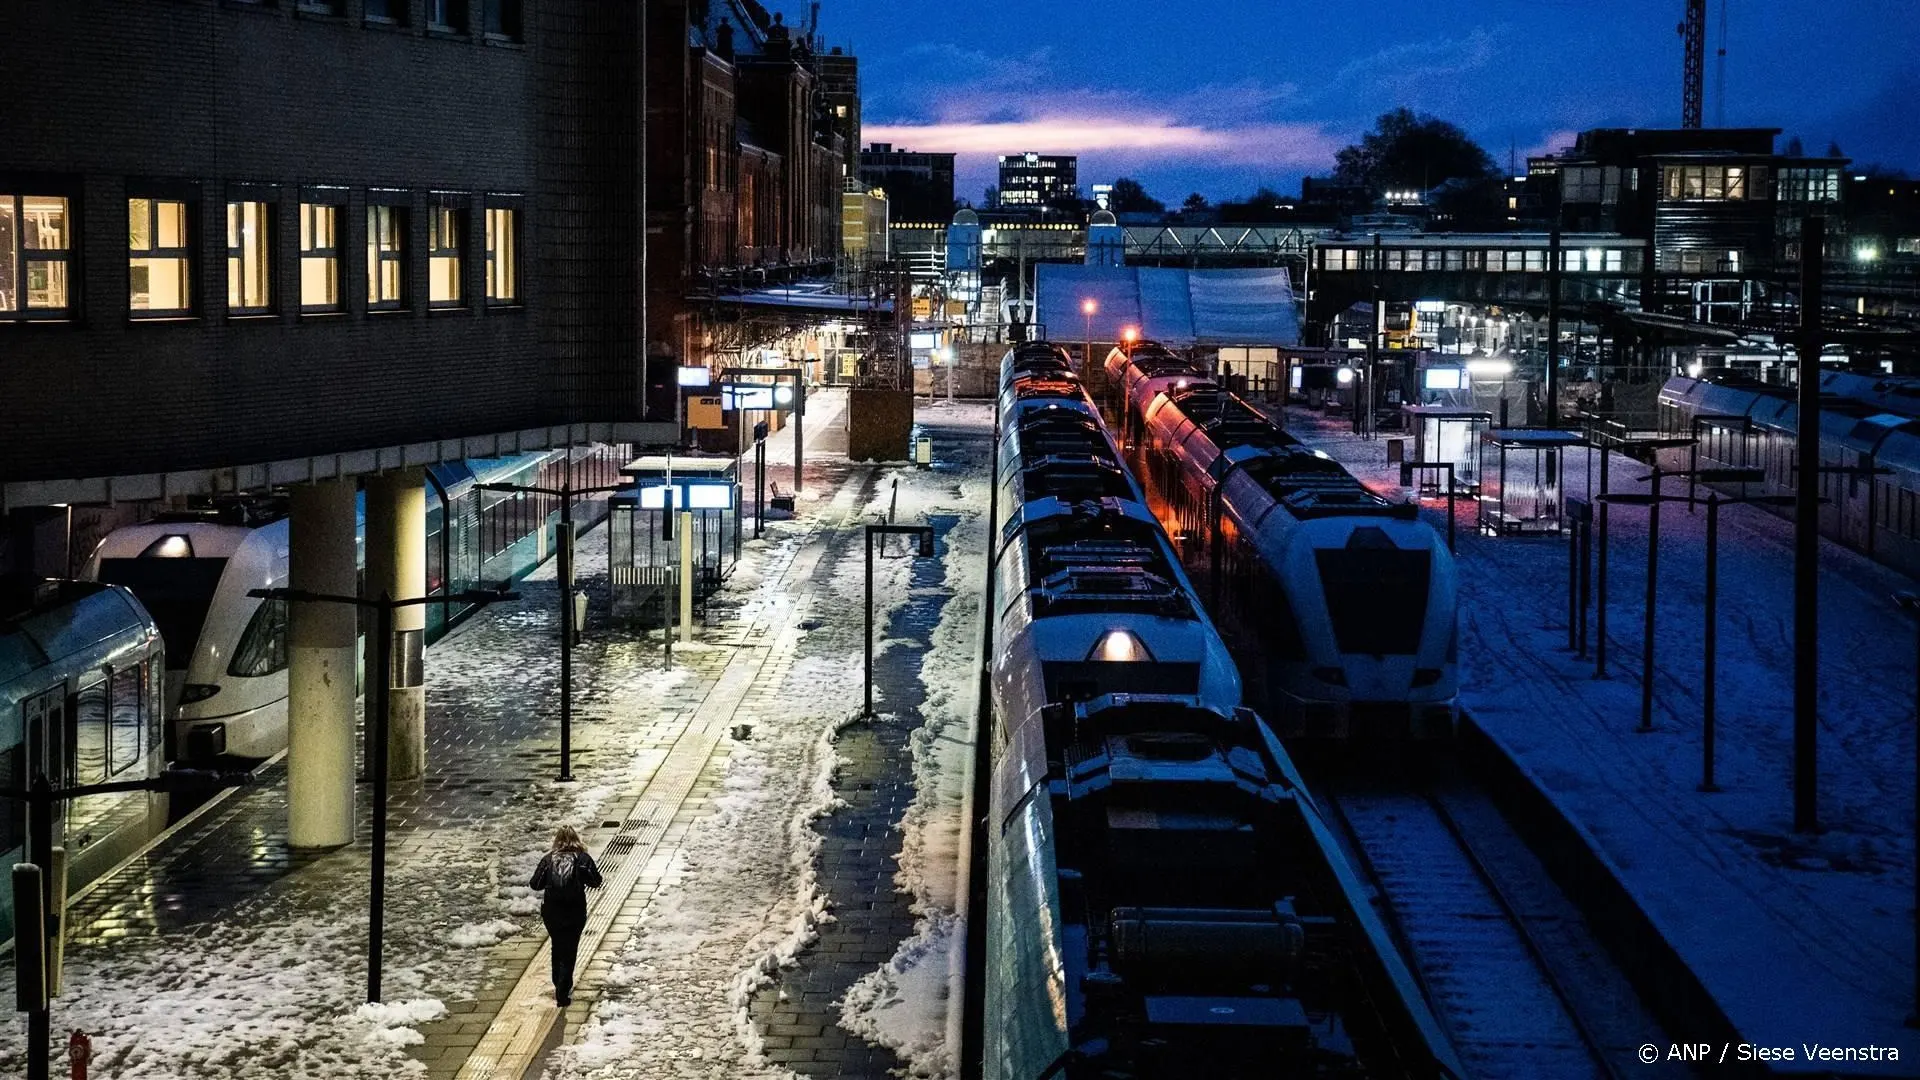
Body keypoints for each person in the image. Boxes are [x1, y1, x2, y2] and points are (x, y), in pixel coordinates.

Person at [529, 825, 603, 1006]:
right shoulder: (583, 859)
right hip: (575, 910)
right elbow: (596, 881)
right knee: (570, 949)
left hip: (552, 911)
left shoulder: (548, 860)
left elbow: (535, 884)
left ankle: (558, 981)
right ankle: (563, 989)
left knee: (557, 945)